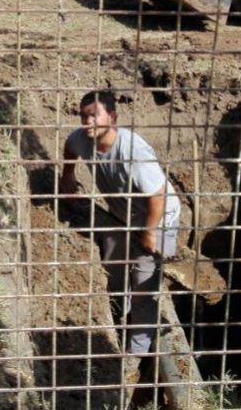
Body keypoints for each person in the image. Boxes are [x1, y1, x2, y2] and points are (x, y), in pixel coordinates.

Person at [59, 90, 181, 377]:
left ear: (112, 118)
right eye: (84, 116)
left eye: (94, 116)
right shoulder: (82, 139)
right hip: (122, 215)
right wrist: (68, 175)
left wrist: (150, 234)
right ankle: (119, 314)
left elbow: (159, 196)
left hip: (159, 218)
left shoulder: (133, 153)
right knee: (114, 265)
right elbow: (69, 146)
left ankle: (136, 352)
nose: (88, 122)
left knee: (144, 286)